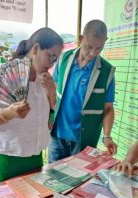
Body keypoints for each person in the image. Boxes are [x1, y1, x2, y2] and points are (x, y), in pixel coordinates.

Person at [0, 27, 63, 185]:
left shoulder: (44, 79)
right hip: (7, 153)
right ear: (36, 49)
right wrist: (8, 113)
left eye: (56, 59)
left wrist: (52, 94)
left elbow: (49, 119)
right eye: (50, 56)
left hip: (34, 153)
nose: (52, 63)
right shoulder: (3, 72)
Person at [48, 19, 117, 163]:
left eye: (99, 48)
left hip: (84, 140)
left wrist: (107, 136)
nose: (93, 53)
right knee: (51, 177)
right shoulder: (63, 59)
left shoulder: (107, 71)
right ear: (80, 39)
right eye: (89, 46)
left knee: (78, 179)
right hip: (57, 134)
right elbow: (53, 89)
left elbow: (108, 108)